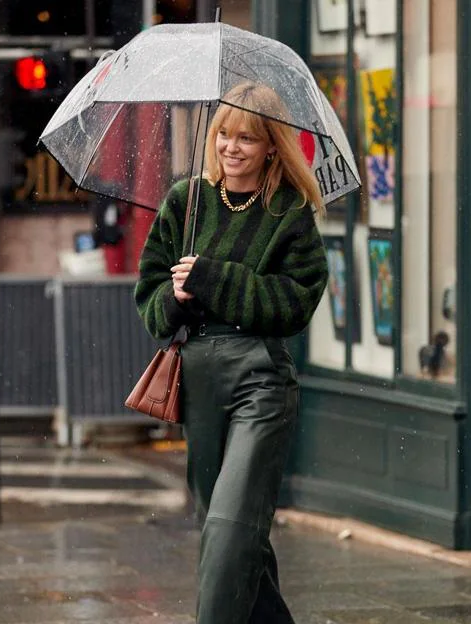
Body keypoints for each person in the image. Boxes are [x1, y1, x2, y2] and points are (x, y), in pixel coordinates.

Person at [135, 82, 329, 624]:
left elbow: (296, 304)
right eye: (225, 134)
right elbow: (148, 298)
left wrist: (215, 279)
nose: (232, 147)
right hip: (198, 377)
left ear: (272, 146)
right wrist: (172, 299)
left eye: (248, 137)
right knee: (231, 533)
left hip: (260, 379)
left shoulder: (289, 213)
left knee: (229, 529)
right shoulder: (186, 202)